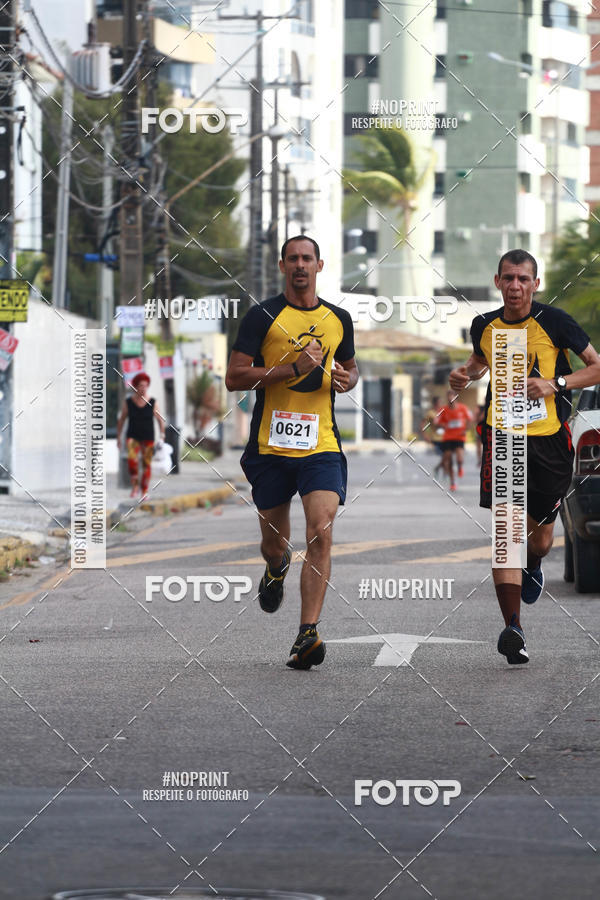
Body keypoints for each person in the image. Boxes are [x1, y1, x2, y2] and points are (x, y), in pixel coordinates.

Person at [449, 249, 600, 665]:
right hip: (503, 438)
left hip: (550, 442)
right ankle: (513, 627)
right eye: (509, 278)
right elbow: (479, 363)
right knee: (505, 533)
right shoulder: (483, 325)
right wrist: (464, 374)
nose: (515, 286)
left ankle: (534, 562)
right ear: (497, 282)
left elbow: (596, 367)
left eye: (523, 279)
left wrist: (556, 383)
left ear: (536, 284)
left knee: (542, 539)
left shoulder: (555, 322)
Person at [225, 235, 359, 670]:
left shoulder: (339, 319)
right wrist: (292, 369)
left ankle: (307, 634)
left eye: (308, 259)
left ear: (321, 265)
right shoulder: (261, 316)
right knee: (273, 542)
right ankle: (276, 565)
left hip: (320, 443)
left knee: (321, 529)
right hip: (270, 446)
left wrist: (346, 379)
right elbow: (234, 377)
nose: (300, 265)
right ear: (282, 265)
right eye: (293, 259)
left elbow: (351, 368)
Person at [116, 372, 165, 499]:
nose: (143, 388)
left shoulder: (153, 402)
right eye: (141, 386)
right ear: (135, 387)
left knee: (146, 464)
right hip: (132, 436)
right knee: (132, 462)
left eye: (145, 385)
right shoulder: (128, 402)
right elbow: (121, 420)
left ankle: (144, 491)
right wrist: (118, 437)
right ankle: (135, 487)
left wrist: (162, 435)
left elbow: (160, 420)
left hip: (148, 437)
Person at [436, 389, 474, 491]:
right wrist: (442, 425)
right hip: (448, 437)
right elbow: (437, 422)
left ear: (455, 397)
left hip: (459, 437)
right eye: (448, 397)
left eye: (452, 397)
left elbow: (470, 419)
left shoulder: (463, 408)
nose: (450, 399)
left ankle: (460, 467)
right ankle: (453, 482)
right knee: (449, 459)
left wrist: (466, 429)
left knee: (459, 458)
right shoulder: (443, 410)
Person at [421, 395, 444, 476]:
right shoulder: (430, 413)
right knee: (445, 456)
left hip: (446, 437)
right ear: (435, 403)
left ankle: (440, 470)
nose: (440, 404)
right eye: (439, 402)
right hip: (436, 438)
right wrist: (425, 435)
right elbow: (423, 423)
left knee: (448, 456)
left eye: (441, 402)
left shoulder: (443, 412)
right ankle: (440, 470)